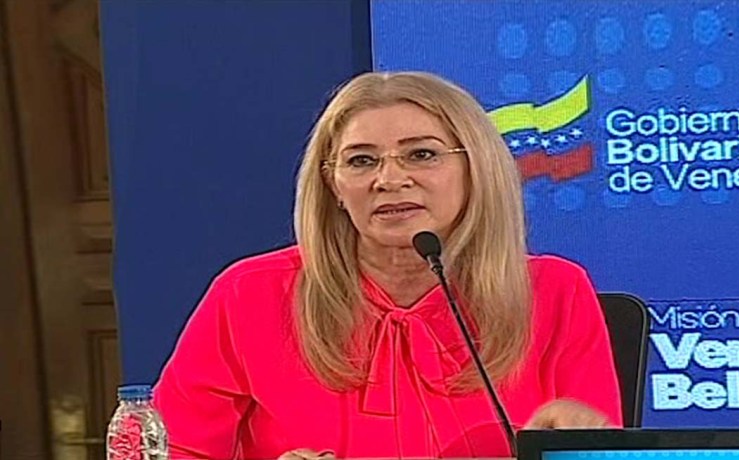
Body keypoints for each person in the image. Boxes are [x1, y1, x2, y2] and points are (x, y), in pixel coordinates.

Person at [153, 71, 621, 460]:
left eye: (422, 154)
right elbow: (173, 452)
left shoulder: (554, 291)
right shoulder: (249, 295)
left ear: (475, 168)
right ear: (334, 185)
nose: (390, 179)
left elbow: (596, 446)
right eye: (361, 161)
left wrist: (577, 447)